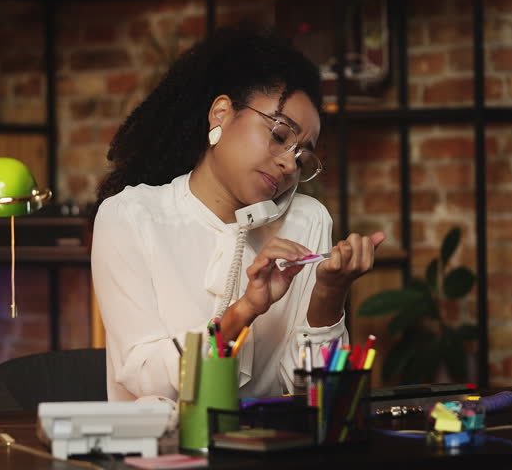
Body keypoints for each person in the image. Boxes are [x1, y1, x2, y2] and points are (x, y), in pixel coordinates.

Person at [91, 24, 385, 404]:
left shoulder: (306, 220)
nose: (288, 164)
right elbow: (147, 381)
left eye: (302, 157)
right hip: (162, 441)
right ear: (221, 114)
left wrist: (329, 294)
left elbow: (307, 393)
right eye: (279, 136)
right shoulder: (131, 217)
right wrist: (243, 311)